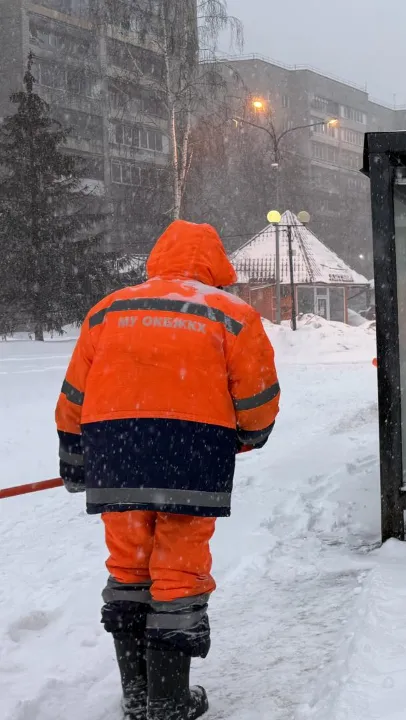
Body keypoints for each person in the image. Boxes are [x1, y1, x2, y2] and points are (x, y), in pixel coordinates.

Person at [55, 220, 280, 719]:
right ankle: (169, 701)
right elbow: (257, 393)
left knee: (128, 566)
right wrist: (251, 433)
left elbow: (74, 394)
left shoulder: (109, 309)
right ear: (215, 265)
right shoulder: (231, 314)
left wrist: (75, 459)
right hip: (192, 454)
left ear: (158, 258)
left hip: (116, 454)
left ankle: (137, 693)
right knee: (179, 569)